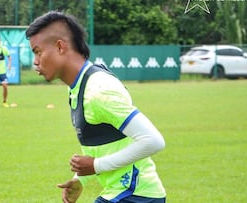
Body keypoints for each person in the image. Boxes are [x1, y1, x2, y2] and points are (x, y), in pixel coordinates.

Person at [26, 11, 166, 203]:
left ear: (60, 47)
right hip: (125, 193)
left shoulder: (98, 89)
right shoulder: (78, 87)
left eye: (37, 51)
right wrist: (80, 179)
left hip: (136, 194)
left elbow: (153, 140)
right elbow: (102, 141)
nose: (35, 62)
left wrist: (97, 166)